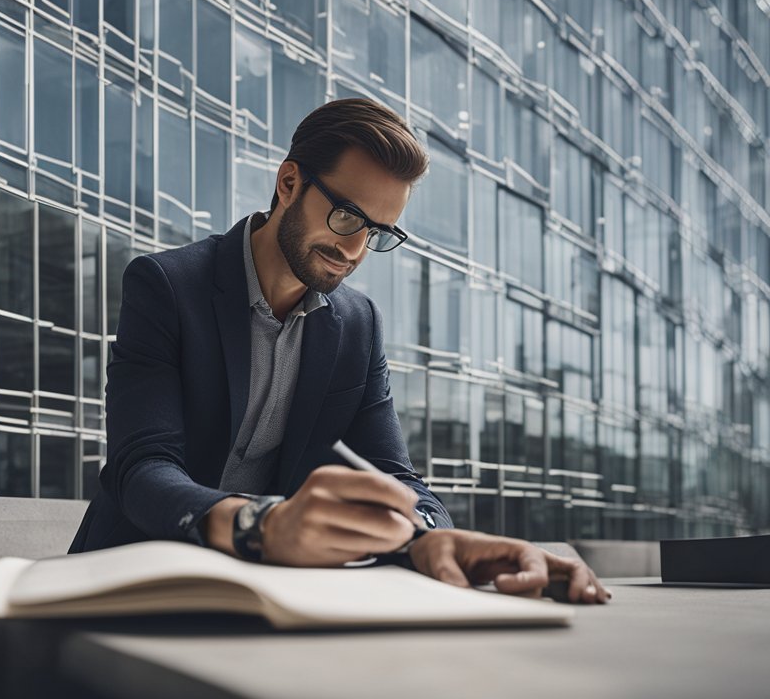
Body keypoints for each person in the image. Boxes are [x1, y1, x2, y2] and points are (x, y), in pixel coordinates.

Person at [70, 98, 610, 604]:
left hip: (267, 597)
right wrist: (260, 524)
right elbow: (142, 468)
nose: (353, 249)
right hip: (131, 579)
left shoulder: (358, 325)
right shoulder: (167, 284)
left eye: (377, 231)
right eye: (347, 216)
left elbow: (394, 475)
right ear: (288, 183)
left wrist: (425, 538)